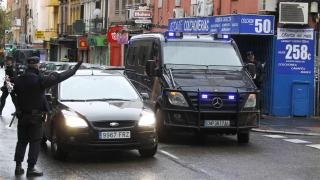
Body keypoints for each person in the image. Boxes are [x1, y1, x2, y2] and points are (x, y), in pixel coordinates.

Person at [13, 56, 83, 177]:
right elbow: (60, 77)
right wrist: (73, 70)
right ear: (37, 65)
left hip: (22, 116)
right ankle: (31, 168)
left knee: (22, 141)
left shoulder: (19, 80)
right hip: (35, 117)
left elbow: (15, 94)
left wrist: (18, 109)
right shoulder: (40, 80)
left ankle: (18, 167)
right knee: (35, 142)